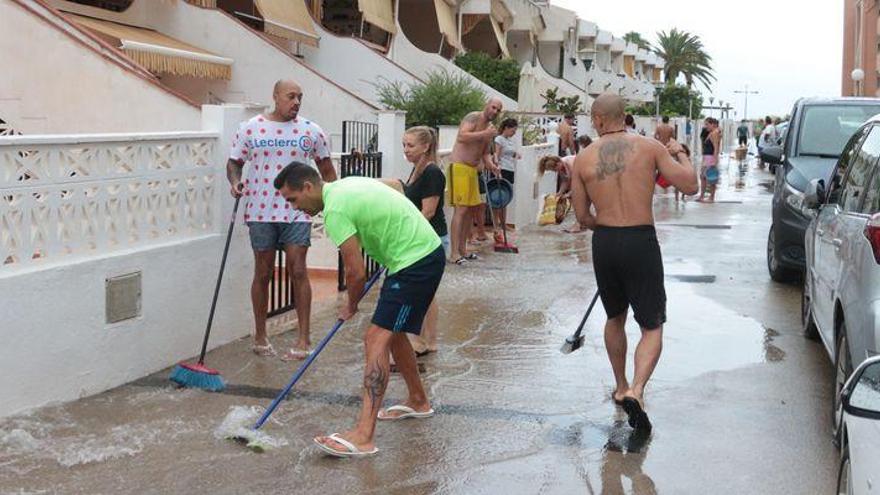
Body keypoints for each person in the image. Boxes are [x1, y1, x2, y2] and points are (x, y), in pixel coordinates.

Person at [274, 164, 445, 458]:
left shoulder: (334, 210)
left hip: (415, 261)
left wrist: (350, 305)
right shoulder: (342, 187)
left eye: (292, 200)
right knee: (392, 334)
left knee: (375, 338)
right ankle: (418, 400)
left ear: (307, 187)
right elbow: (391, 190)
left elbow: (356, 273)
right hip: (414, 255)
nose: (294, 208)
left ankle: (364, 435)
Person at [570, 93, 698, 434]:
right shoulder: (650, 147)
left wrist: (603, 225)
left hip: (606, 242)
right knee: (651, 325)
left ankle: (621, 386)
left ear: (597, 119)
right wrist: (682, 153)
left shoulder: (582, 159)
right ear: (624, 116)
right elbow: (690, 185)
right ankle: (638, 391)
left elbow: (582, 217)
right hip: (641, 239)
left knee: (615, 316)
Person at [227, 79, 336, 361]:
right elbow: (235, 162)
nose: (296, 102)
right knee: (262, 272)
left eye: (300, 97)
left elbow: (327, 170)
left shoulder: (311, 131)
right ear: (275, 96)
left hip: (297, 211)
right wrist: (236, 182)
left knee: (298, 269)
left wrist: (336, 201)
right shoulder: (250, 128)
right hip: (261, 210)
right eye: (291, 96)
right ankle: (261, 335)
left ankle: (304, 337)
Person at [400, 126, 447, 357]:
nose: (406, 150)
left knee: (423, 292)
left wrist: (403, 232)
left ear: (425, 146)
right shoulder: (416, 170)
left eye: (410, 145)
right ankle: (427, 340)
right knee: (426, 292)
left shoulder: (431, 173)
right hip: (422, 239)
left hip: (431, 238)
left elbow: (428, 211)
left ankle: (423, 341)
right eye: (404, 145)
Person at [448, 98, 502, 265]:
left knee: (470, 211)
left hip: (472, 171)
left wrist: (492, 166)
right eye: (493, 107)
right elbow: (462, 136)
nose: (494, 111)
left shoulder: (490, 130)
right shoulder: (473, 117)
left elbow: (485, 153)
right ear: (486, 105)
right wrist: (484, 134)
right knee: (461, 210)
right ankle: (454, 253)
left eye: (498, 110)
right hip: (459, 168)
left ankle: (463, 250)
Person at [493, 118, 521, 240]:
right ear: (506, 128)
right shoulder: (499, 139)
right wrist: (497, 169)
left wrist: (516, 154)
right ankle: (496, 226)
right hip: (502, 170)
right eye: (513, 130)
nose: (514, 133)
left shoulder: (509, 140)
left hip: (510, 170)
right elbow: (496, 155)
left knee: (505, 199)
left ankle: (504, 224)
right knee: (498, 200)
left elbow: (510, 153)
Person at [698, 117, 721, 203]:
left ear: (712, 124)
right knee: (703, 177)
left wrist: (715, 161)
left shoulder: (714, 133)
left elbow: (716, 148)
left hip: (710, 158)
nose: (706, 126)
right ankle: (702, 196)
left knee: (710, 178)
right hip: (707, 157)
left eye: (707, 124)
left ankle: (711, 197)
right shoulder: (712, 133)